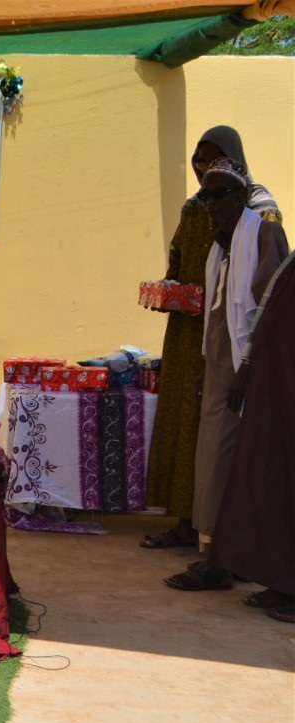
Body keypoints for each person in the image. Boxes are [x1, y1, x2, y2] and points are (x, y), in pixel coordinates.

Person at [142, 126, 282, 551]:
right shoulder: (199, 211)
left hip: (244, 349)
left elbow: (269, 293)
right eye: (198, 163)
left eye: (213, 160)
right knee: (196, 436)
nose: (204, 175)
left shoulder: (260, 218)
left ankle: (227, 543)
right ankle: (194, 525)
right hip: (196, 340)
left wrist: (251, 359)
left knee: (229, 444)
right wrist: (171, 292)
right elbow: (181, 261)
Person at [164, 159, 288, 592]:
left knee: (238, 463)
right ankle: (216, 556)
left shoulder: (264, 233)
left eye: (219, 195)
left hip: (248, 370)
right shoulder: (220, 246)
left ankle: (227, 563)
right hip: (219, 367)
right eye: (205, 197)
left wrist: (248, 368)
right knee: (211, 461)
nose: (210, 205)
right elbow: (216, 318)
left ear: (241, 195)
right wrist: (205, 367)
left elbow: (273, 311)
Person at [210, 251, 295, 620]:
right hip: (277, 387)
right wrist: (248, 364)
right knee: (272, 481)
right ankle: (281, 581)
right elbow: (266, 314)